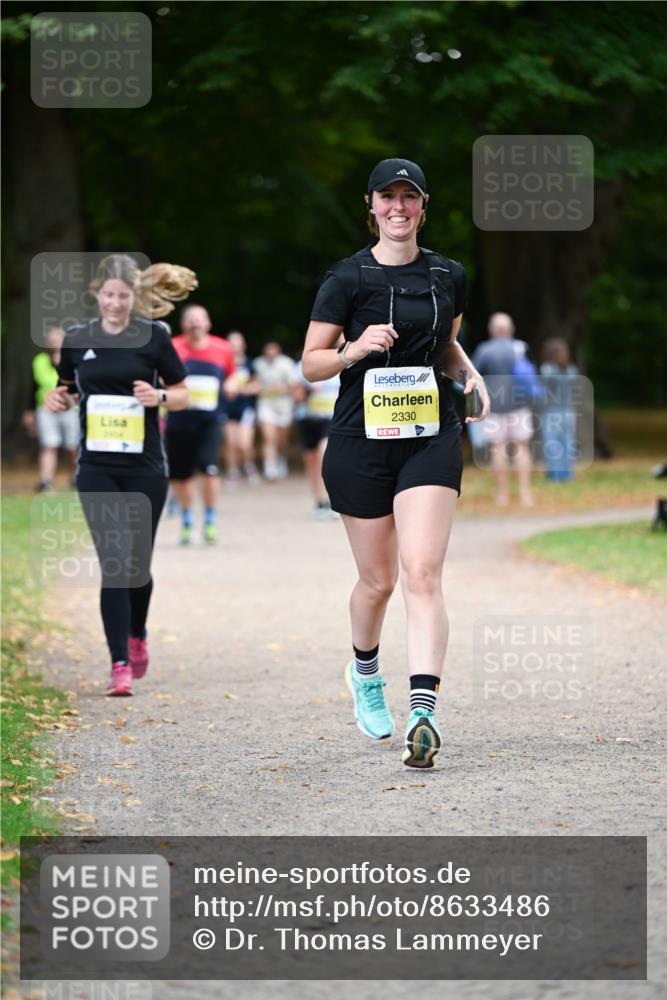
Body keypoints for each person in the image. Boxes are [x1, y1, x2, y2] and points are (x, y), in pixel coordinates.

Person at [302, 158, 489, 769]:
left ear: (423, 205)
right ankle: (365, 673)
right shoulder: (346, 278)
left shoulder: (448, 275)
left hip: (429, 434)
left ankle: (424, 712)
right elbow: (311, 362)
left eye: (410, 197)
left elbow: (447, 343)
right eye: (389, 198)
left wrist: (470, 373)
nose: (399, 208)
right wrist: (353, 349)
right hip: (360, 439)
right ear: (372, 205)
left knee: (423, 572)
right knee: (378, 581)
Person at [44, 254, 194, 696]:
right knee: (113, 562)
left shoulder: (153, 337)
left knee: (136, 566)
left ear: (135, 296)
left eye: (123, 296)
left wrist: (160, 396)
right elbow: (66, 390)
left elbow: (184, 395)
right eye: (108, 295)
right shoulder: (77, 338)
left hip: (145, 467)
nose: (114, 303)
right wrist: (58, 400)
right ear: (97, 294)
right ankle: (119, 665)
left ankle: (138, 632)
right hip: (96, 466)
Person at [166, 305, 235, 544]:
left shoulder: (222, 348)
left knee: (209, 469)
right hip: (178, 419)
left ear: (208, 323)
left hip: (210, 421)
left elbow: (232, 375)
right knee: (181, 475)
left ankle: (209, 520)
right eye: (190, 319)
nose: (195, 323)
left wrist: (232, 385)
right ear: (183, 324)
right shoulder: (172, 347)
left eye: (199, 319)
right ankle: (186, 519)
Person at [472, 312, 536, 507]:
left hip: (495, 407)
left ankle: (502, 495)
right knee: (522, 447)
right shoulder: (521, 347)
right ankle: (525, 493)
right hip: (520, 405)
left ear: (492, 331)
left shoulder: (484, 350)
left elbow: (472, 375)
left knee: (497, 448)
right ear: (511, 330)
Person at [23, 326, 79, 491]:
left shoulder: (73, 359)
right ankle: (46, 480)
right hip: (46, 409)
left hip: (70, 408)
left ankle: (76, 478)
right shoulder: (40, 360)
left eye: (58, 338)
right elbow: (33, 387)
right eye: (51, 339)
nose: (54, 342)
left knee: (73, 445)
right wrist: (30, 410)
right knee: (48, 444)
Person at [292, 358, 340, 519]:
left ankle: (332, 500)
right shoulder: (301, 365)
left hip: (330, 418)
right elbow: (295, 396)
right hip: (307, 417)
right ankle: (320, 501)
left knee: (323, 454)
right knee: (311, 461)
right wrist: (306, 390)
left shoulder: (344, 360)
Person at [254, 341, 298, 480]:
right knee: (268, 437)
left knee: (281, 439)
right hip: (266, 404)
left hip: (283, 405)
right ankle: (270, 468)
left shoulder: (287, 363)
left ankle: (281, 458)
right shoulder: (259, 363)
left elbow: (293, 385)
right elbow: (256, 382)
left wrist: (280, 388)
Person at [223, 330, 261, 487]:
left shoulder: (250, 364)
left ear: (243, 345)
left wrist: (243, 389)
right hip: (227, 407)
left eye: (238, 343)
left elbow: (257, 385)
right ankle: (232, 472)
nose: (235, 347)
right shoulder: (223, 364)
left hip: (245, 408)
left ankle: (249, 466)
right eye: (232, 344)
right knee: (231, 443)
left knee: (244, 443)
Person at [539, 338, 580, 481]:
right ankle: (567, 474)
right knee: (567, 443)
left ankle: (555, 474)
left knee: (552, 443)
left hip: (551, 412)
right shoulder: (572, 370)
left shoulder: (547, 369)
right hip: (569, 412)